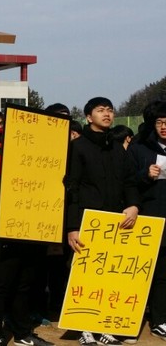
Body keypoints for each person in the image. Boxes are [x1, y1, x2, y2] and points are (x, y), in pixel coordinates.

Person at [65, 97, 138, 346]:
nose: (107, 114)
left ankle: (104, 324)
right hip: (88, 221)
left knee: (109, 276)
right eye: (100, 110)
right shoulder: (79, 147)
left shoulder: (117, 147)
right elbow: (71, 188)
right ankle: (84, 328)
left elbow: (129, 180)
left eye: (109, 110)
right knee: (85, 276)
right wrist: (72, 227)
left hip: (117, 222)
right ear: (88, 117)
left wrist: (133, 205)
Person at [0, 123, 54, 346]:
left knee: (23, 283)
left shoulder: (35, 152)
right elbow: (0, 183)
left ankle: (22, 333)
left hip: (29, 225)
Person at [127, 101, 166, 341]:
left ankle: (160, 320)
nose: (164, 127)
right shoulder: (140, 147)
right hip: (148, 218)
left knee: (163, 272)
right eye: (160, 122)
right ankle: (132, 318)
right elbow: (128, 181)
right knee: (143, 271)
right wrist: (145, 175)